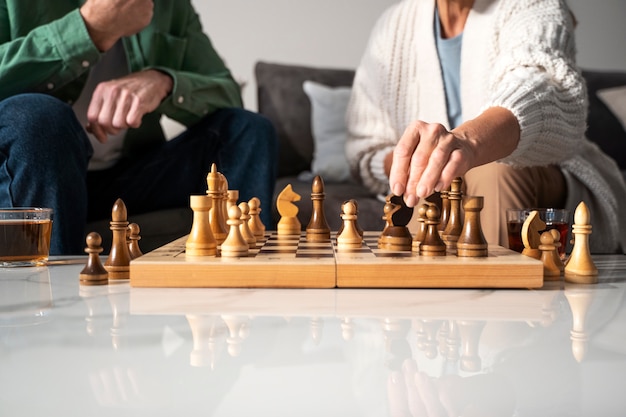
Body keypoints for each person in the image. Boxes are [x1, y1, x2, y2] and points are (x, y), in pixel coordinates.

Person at [346, 0, 626, 253]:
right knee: (426, 189)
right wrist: (420, 160)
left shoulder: (533, 5)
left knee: (493, 173)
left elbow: (542, 88)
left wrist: (466, 144)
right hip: (436, 188)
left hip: (542, 171)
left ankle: (500, 305)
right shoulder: (392, 25)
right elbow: (365, 149)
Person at [0, 0, 278, 255]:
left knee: (248, 130)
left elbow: (228, 93)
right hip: (28, 173)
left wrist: (164, 81)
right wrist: (87, 31)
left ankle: (245, 288)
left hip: (127, 177)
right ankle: (53, 301)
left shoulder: (170, 6)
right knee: (40, 118)